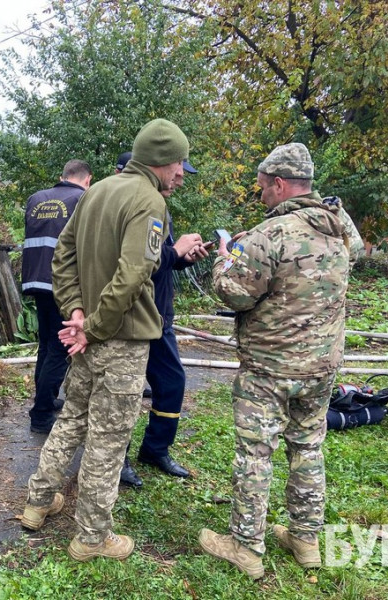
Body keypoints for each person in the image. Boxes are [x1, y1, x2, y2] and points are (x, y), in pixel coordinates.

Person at [21, 119, 191, 562]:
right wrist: (92, 324)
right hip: (119, 339)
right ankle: (93, 538)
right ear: (161, 161)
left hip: (88, 336)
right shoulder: (149, 200)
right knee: (108, 440)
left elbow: (63, 255)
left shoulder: (97, 191)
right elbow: (135, 273)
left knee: (72, 418)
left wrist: (76, 312)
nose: (180, 174)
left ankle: (38, 503)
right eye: (178, 165)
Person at [198, 143, 363, 579]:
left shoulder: (269, 235)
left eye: (263, 189)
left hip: (270, 368)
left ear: (279, 183)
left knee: (255, 452)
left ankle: (246, 545)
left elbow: (234, 293)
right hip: (322, 366)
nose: (262, 197)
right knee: (308, 446)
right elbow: (358, 253)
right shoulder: (339, 227)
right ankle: (306, 538)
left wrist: (223, 258)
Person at [116, 152, 209, 487]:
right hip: (136, 317)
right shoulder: (134, 205)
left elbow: (159, 259)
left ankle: (155, 449)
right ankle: (118, 459)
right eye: (177, 171)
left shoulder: (160, 207)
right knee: (125, 391)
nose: (180, 178)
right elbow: (138, 264)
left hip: (161, 316)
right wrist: (175, 251)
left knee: (172, 384)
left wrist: (183, 257)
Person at [22, 160, 93, 434]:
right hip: (62, 285)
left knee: (47, 344)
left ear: (61, 176)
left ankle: (46, 399)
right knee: (60, 349)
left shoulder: (36, 199)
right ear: (88, 179)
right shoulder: (82, 199)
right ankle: (40, 414)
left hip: (34, 280)